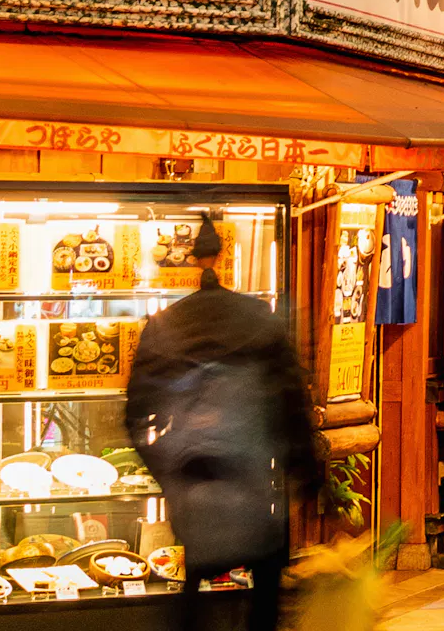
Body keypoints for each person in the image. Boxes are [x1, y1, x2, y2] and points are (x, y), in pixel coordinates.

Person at [124, 214, 322, 631]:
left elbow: (136, 412)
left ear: (196, 260)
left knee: (195, 576)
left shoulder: (167, 324)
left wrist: (166, 468)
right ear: (221, 256)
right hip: (250, 478)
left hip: (192, 480)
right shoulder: (258, 318)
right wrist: (305, 472)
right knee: (265, 579)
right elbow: (291, 404)